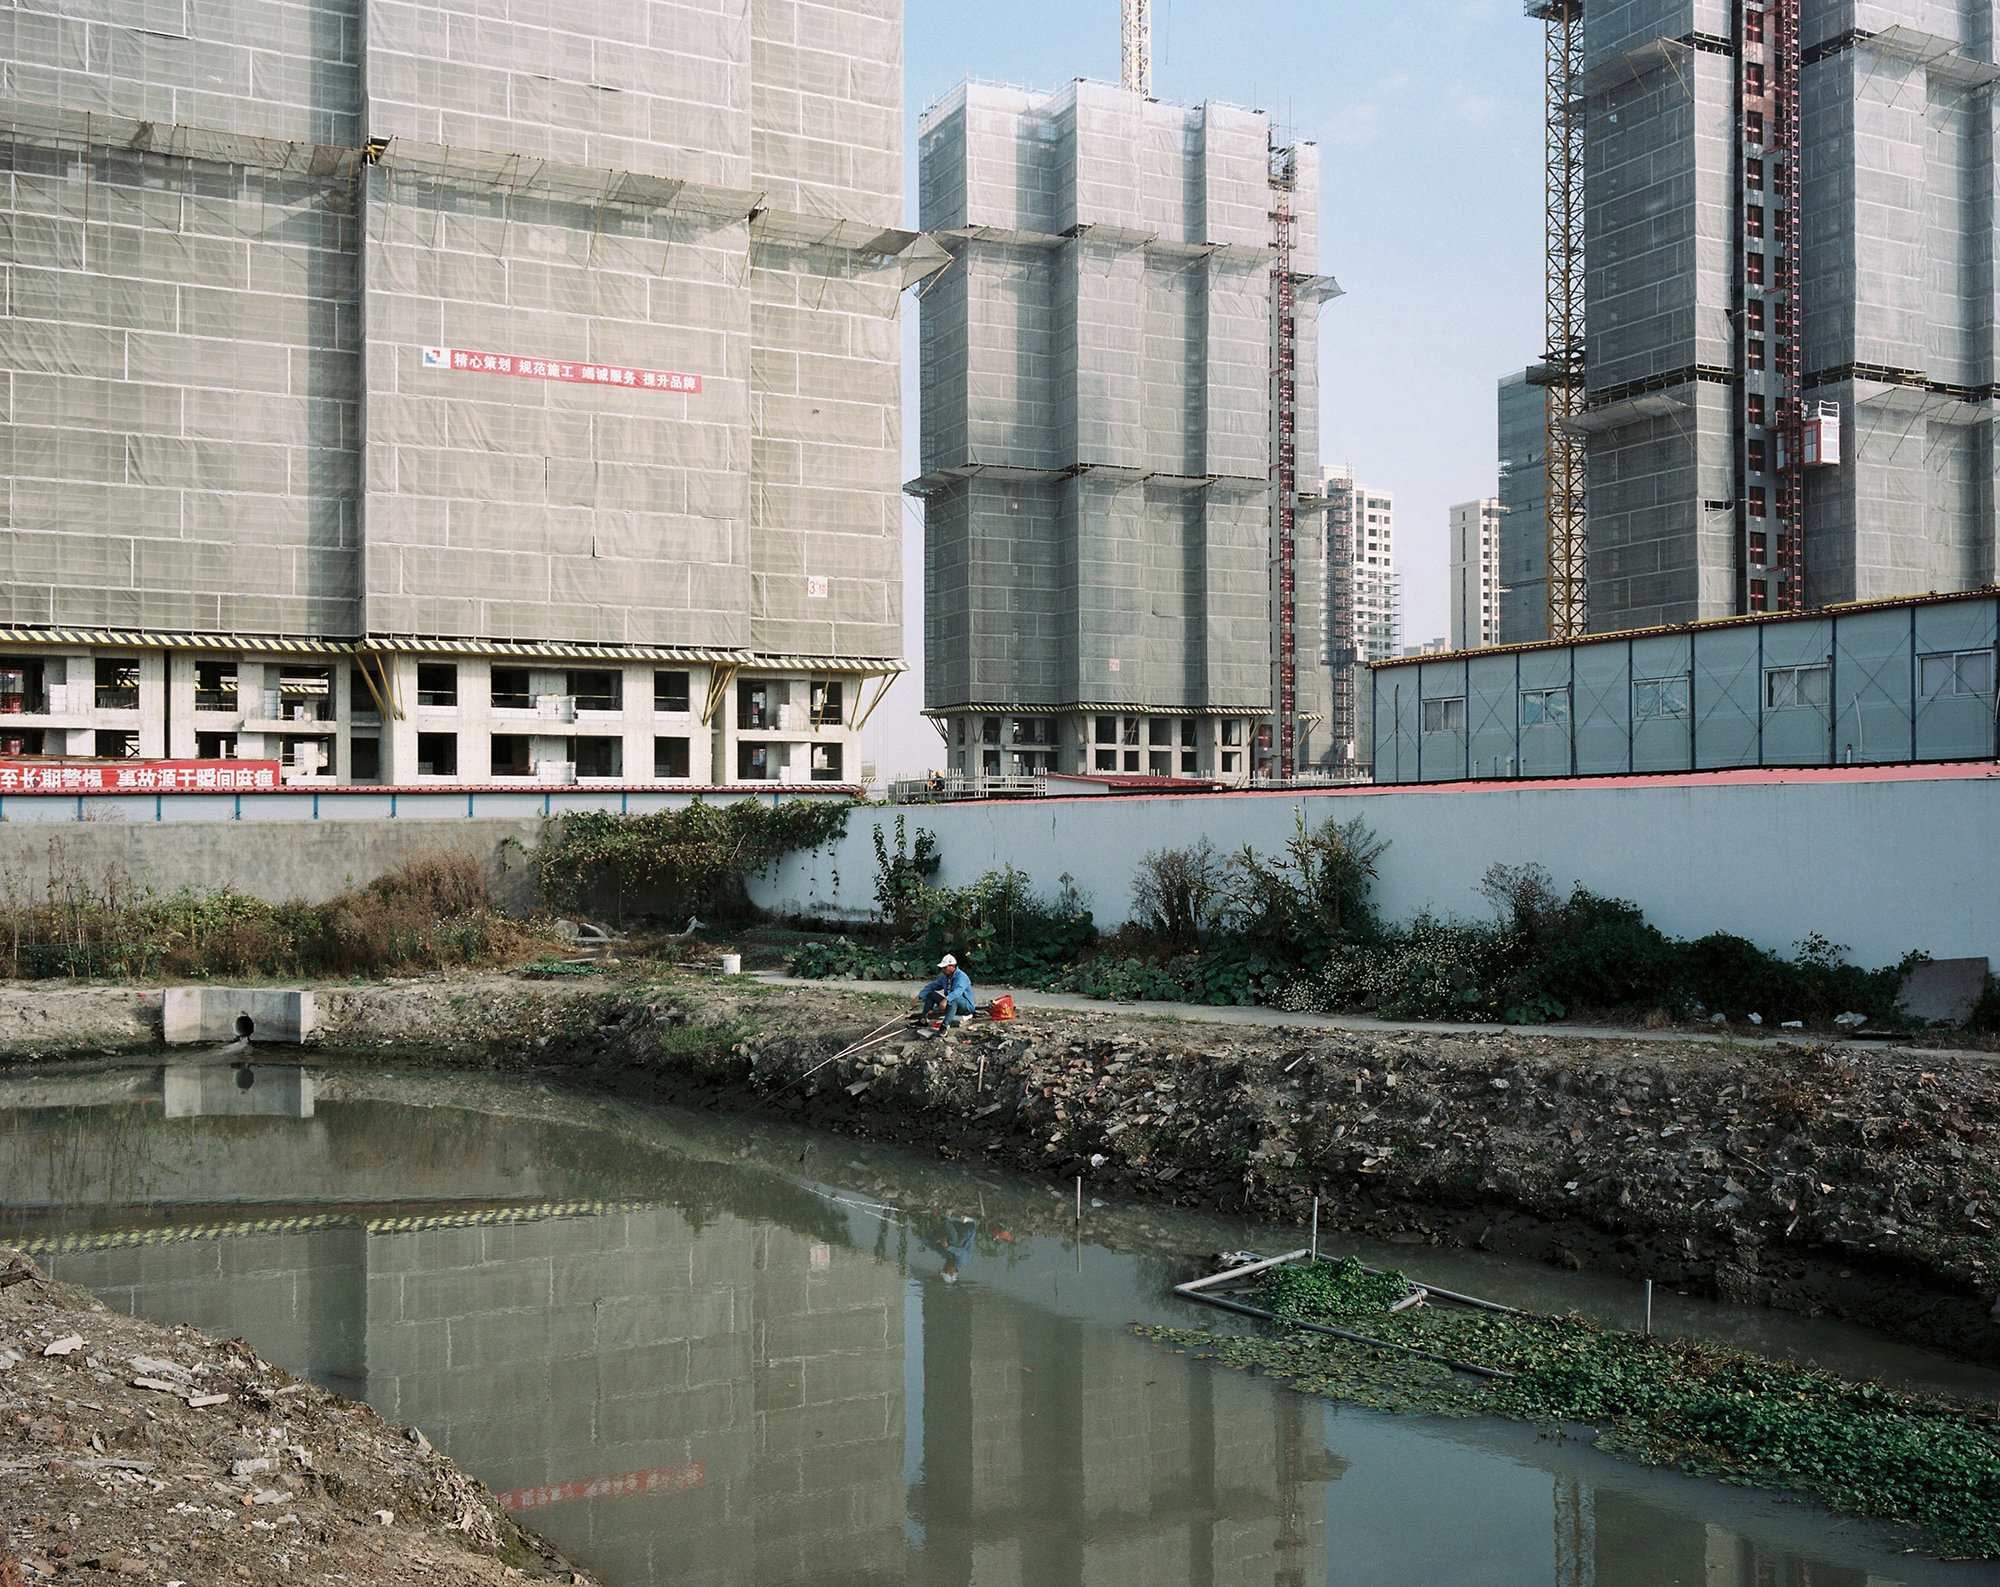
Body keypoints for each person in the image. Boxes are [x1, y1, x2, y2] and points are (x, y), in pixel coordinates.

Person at [916, 953, 974, 1026]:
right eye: (942, 968)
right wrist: (919, 996)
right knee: (931, 994)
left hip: (964, 1007)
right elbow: (932, 986)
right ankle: (923, 1020)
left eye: (945, 967)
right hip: (950, 1004)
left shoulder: (962, 977)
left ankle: (944, 1026)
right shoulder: (945, 976)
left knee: (954, 1000)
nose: (943, 970)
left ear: (952, 966)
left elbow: (958, 991)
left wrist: (946, 999)